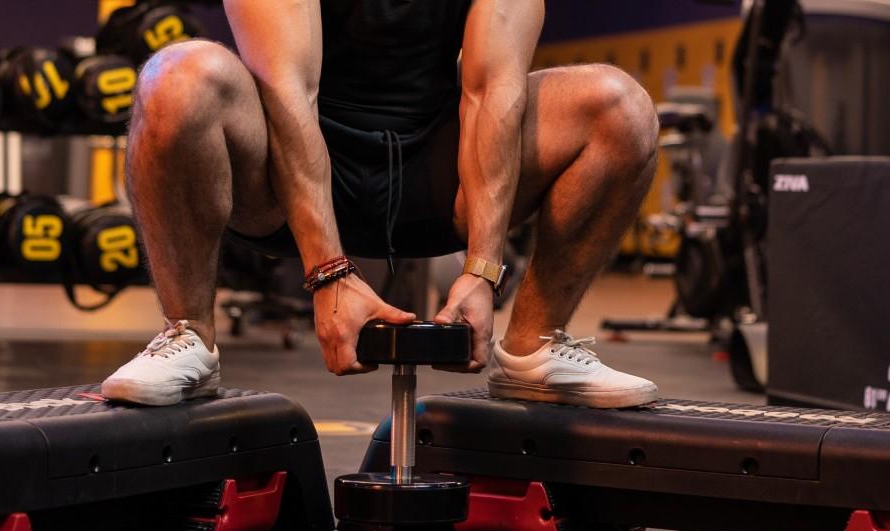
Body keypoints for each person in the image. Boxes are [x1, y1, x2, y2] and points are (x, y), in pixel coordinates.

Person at [102, 0, 660, 409]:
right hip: (284, 171)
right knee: (175, 78)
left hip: (433, 171)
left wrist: (483, 272)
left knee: (619, 109)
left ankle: (533, 350)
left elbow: (492, 91)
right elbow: (290, 90)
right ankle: (188, 335)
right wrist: (328, 271)